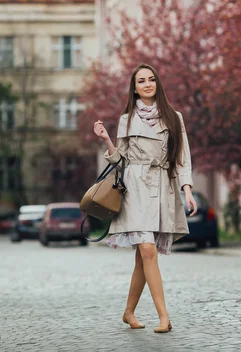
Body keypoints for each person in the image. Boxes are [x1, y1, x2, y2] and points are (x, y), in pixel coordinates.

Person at [93, 63, 197, 334]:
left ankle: (128, 312)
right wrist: (107, 141)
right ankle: (165, 318)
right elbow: (121, 161)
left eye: (151, 79)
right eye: (141, 81)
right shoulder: (127, 118)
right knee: (148, 250)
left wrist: (187, 190)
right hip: (135, 187)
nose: (147, 84)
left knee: (143, 256)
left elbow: (182, 157)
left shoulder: (174, 117)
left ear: (157, 84)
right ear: (135, 87)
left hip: (162, 186)